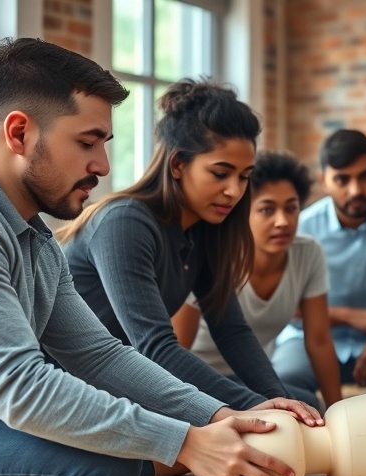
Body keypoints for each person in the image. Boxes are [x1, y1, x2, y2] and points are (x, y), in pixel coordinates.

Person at [0, 37, 297, 476]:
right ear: (20, 133)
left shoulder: (36, 237)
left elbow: (99, 355)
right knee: (107, 464)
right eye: (87, 143)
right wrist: (187, 443)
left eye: (104, 145)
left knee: (122, 448)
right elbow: (20, 384)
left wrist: (220, 416)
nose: (102, 167)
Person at [57, 80, 321, 425]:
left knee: (298, 399)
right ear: (178, 164)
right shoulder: (125, 222)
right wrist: (254, 406)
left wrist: (278, 400)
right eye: (221, 173)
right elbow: (155, 347)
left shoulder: (203, 231)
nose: (234, 191)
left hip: (131, 381)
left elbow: (231, 331)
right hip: (71, 390)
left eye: (244, 177)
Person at [172, 151, 342, 409]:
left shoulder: (308, 253)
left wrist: (338, 411)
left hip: (251, 379)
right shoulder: (212, 258)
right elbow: (176, 350)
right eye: (267, 210)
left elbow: (318, 340)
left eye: (291, 208)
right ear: (242, 213)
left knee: (311, 407)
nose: (282, 221)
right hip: (199, 381)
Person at [272, 129, 366, 390]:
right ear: (324, 180)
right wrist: (347, 316)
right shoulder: (302, 226)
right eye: (342, 180)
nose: (356, 190)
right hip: (308, 339)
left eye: (365, 176)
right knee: (285, 377)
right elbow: (284, 304)